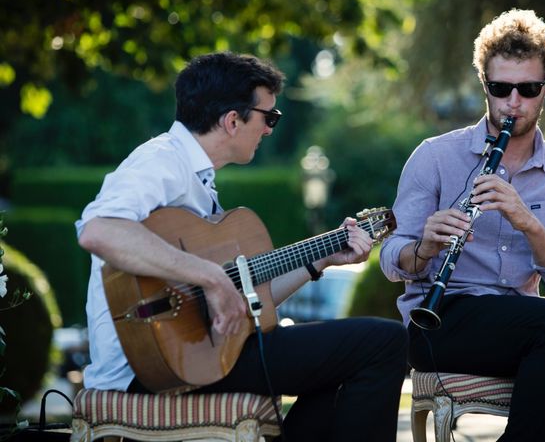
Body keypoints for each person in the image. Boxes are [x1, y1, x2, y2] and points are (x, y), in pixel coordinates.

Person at [76, 51, 408, 442]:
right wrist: (211, 278)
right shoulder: (161, 160)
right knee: (383, 343)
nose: (269, 129)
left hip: (194, 358)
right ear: (233, 120)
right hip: (147, 370)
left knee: (338, 367)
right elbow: (98, 230)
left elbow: (255, 300)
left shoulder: (198, 180)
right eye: (269, 117)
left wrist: (321, 259)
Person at [380, 9, 545, 441]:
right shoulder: (435, 156)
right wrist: (424, 247)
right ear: (485, 85)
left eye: (527, 89)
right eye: (500, 89)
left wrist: (527, 221)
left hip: (526, 329)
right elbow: (392, 259)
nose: (513, 103)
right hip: (440, 322)